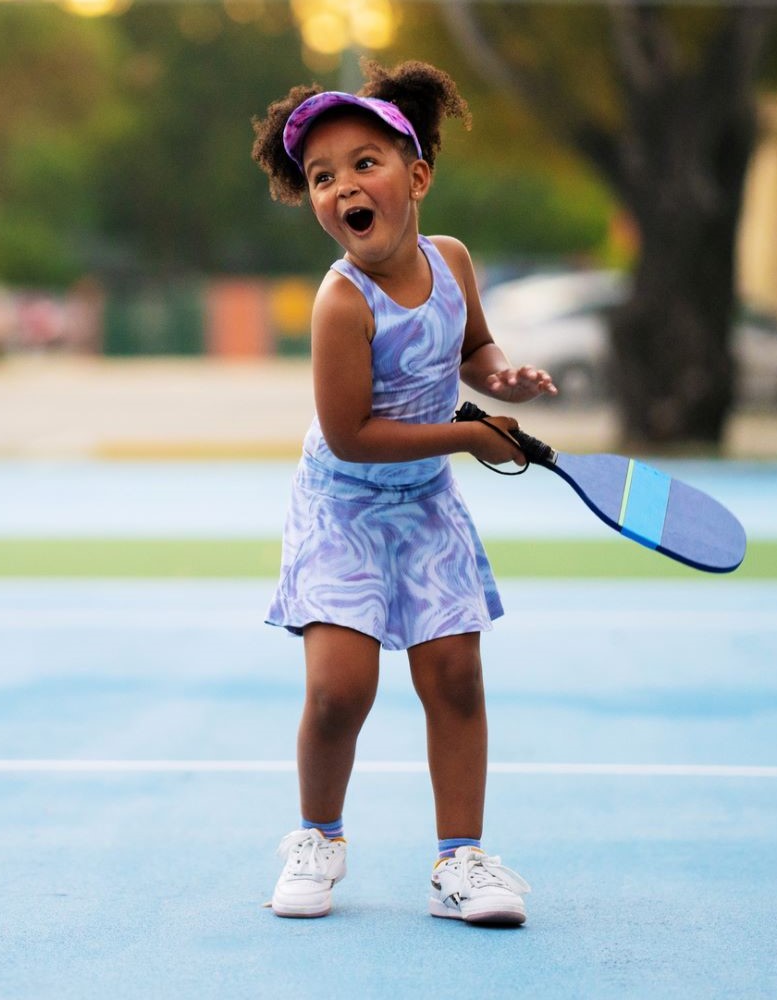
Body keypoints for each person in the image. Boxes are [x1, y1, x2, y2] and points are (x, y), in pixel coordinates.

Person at [249, 61, 556, 925]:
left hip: (427, 508)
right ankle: (317, 835)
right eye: (321, 176)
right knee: (339, 691)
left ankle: (461, 861)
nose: (343, 184)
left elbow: (474, 349)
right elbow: (351, 434)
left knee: (456, 675)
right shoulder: (340, 304)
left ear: (416, 176)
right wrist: (469, 434)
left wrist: (505, 377)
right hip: (343, 509)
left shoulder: (452, 261)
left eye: (364, 163)